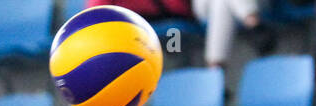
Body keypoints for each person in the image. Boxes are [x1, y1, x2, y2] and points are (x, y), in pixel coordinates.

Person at [85, 0, 276, 65]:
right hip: (189, 15)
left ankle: (215, 68)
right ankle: (253, 23)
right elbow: (97, 18)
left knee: (220, 4)